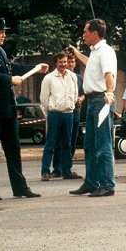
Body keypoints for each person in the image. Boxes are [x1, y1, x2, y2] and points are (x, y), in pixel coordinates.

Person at [0, 17, 48, 201]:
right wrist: (9, 80)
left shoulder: (0, 51)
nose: (4, 35)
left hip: (7, 108)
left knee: (14, 149)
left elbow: (13, 67)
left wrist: (36, 68)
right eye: (1, 31)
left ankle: (20, 188)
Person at [68, 19, 117, 197]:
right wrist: (75, 52)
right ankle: (91, 183)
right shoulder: (96, 52)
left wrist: (109, 93)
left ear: (95, 34)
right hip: (92, 101)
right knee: (89, 144)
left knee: (103, 144)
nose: (84, 34)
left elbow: (108, 74)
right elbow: (90, 63)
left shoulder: (105, 51)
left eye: (86, 31)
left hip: (101, 100)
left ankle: (107, 184)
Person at [39, 52, 82, 181]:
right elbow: (44, 98)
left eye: (65, 62)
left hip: (68, 113)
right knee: (50, 143)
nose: (63, 64)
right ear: (56, 63)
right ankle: (45, 171)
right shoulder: (49, 78)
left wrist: (71, 105)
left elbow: (75, 93)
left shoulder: (72, 76)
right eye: (61, 62)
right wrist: (50, 112)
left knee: (67, 144)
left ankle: (66, 170)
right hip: (55, 113)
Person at [52, 53, 85, 178]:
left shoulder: (78, 77)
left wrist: (81, 98)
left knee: (71, 139)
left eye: (72, 62)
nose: (70, 65)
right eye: (68, 62)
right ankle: (57, 168)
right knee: (59, 140)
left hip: (74, 110)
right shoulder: (56, 76)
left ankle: (67, 167)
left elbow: (83, 93)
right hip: (60, 111)